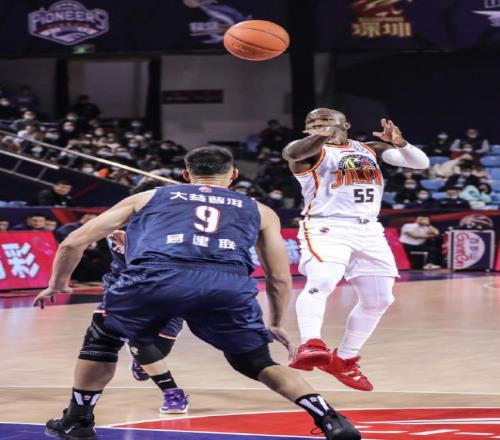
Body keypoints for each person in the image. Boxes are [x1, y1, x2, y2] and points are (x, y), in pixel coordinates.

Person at [34, 146, 360, 440]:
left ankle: (78, 420)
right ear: (233, 175)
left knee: (103, 339)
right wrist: (275, 321)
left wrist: (58, 284)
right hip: (226, 284)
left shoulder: (148, 197)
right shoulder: (260, 210)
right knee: (257, 362)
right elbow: (278, 276)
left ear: (186, 175)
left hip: (155, 278)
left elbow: (73, 242)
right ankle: (331, 419)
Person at [282, 109, 429, 391]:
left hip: (369, 228)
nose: (318, 125)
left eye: (326, 121)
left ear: (345, 125)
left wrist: (400, 143)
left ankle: (344, 359)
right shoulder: (309, 152)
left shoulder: (370, 149)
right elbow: (292, 152)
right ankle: (310, 343)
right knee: (323, 280)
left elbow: (420, 163)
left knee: (380, 299)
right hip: (327, 226)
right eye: (312, 122)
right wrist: (321, 136)